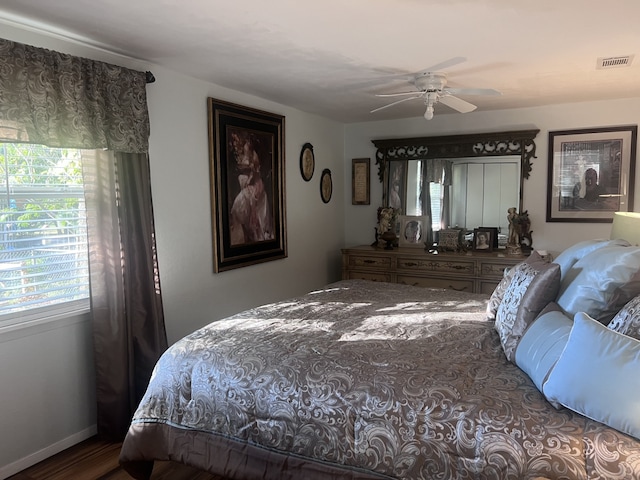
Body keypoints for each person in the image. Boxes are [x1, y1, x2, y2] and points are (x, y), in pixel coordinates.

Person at [229, 131, 274, 245]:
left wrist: (249, 179)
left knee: (255, 214)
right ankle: (250, 233)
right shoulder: (244, 153)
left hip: (256, 185)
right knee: (242, 209)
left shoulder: (253, 155)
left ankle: (257, 233)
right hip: (252, 185)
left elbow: (255, 172)